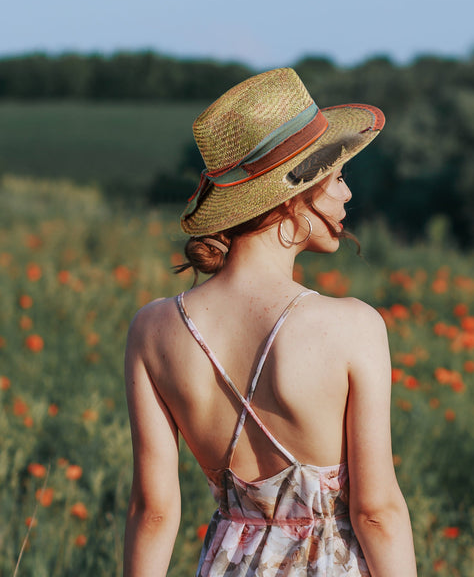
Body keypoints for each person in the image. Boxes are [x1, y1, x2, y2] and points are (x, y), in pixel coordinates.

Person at [123, 68, 417, 577]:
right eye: (339, 177)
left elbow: (153, 512)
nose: (348, 195)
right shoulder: (352, 326)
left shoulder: (153, 330)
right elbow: (376, 512)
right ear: (292, 194)